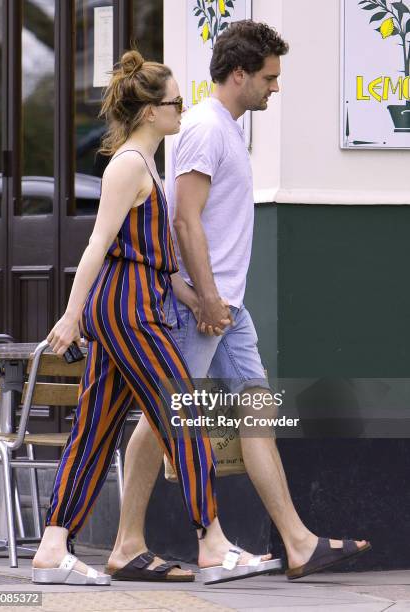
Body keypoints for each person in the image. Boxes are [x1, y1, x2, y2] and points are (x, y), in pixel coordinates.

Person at [107, 21, 371, 582]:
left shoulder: (223, 128)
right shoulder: (204, 128)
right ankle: (127, 543)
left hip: (230, 308)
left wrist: (221, 302)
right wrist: (204, 298)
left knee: (258, 413)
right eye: (270, 78)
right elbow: (184, 219)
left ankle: (298, 543)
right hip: (202, 308)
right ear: (240, 74)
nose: (275, 88)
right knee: (162, 418)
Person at [31, 49, 276, 586]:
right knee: (182, 414)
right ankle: (210, 541)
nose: (182, 111)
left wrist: (193, 300)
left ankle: (52, 547)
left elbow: (151, 259)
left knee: (94, 431)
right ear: (148, 113)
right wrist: (71, 317)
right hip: (128, 313)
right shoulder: (127, 166)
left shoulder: (145, 166)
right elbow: (97, 246)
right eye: (173, 103)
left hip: (133, 305)